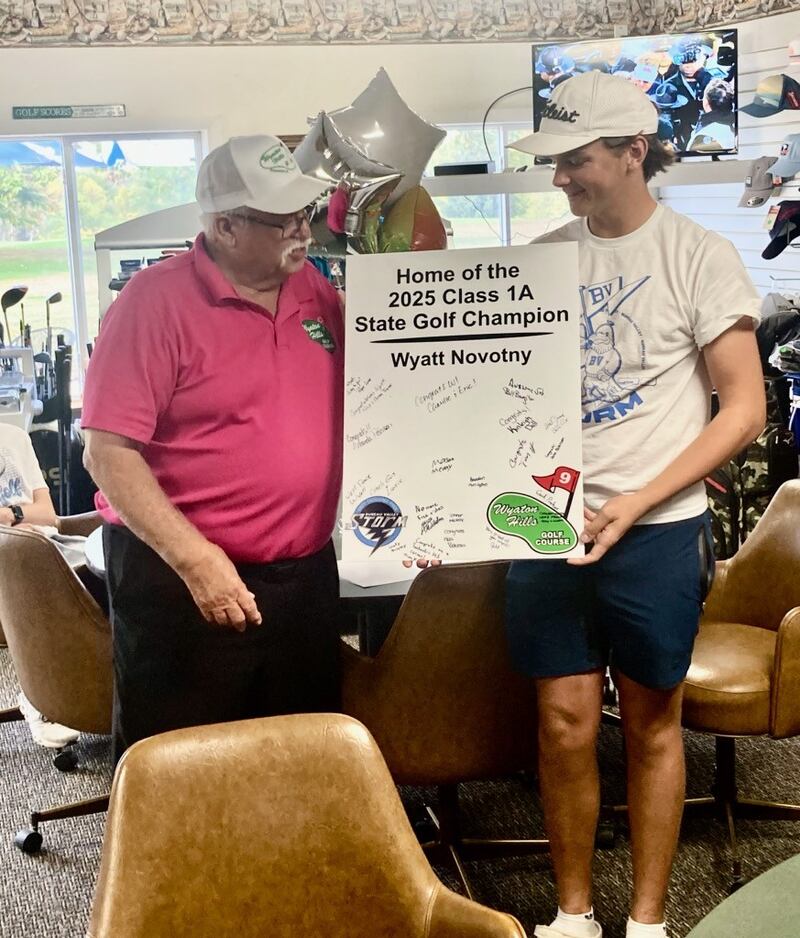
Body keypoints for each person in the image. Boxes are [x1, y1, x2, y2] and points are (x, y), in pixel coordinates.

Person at [508, 71, 765, 938]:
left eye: (575, 160)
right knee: (563, 723)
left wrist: (635, 501)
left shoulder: (699, 255)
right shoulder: (541, 257)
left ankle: (649, 921)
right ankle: (573, 913)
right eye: (554, 163)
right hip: (549, 525)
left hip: (657, 530)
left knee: (654, 725)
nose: (559, 179)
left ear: (633, 153)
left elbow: (744, 409)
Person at [81, 134, 344, 761]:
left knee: (302, 762)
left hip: (302, 576)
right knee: (184, 769)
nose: (302, 232)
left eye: (305, 214)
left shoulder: (315, 291)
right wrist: (196, 560)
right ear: (225, 226)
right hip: (182, 575)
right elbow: (107, 451)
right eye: (283, 220)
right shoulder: (153, 302)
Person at [0, 422, 81, 748]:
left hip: (45, 544)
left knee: (112, 568)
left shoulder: (14, 437)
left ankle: (92, 695)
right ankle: (41, 701)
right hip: (14, 558)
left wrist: (9, 516)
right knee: (26, 563)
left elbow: (47, 515)